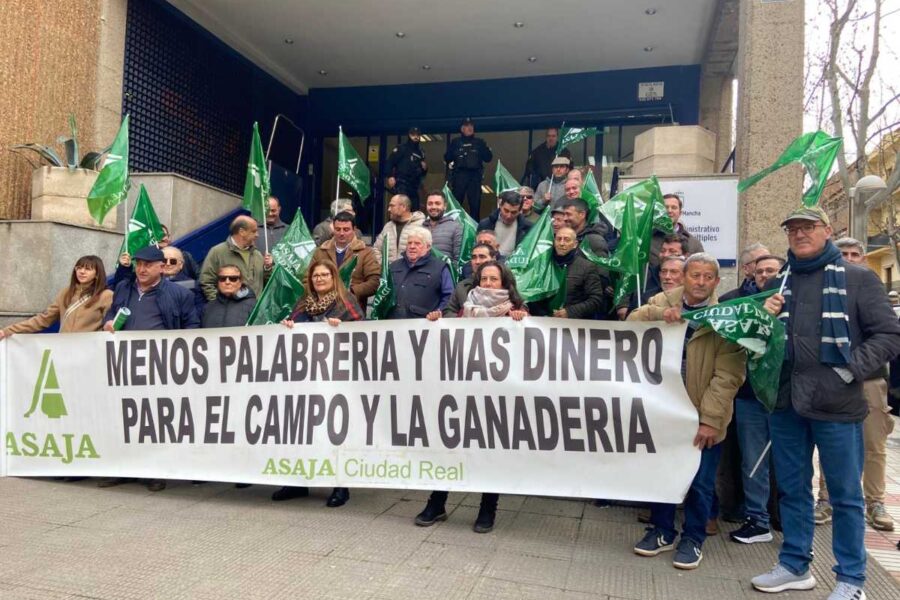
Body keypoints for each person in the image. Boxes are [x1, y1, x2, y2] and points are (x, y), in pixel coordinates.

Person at [751, 208, 900, 600]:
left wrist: (849, 371)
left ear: (827, 231)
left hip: (837, 403)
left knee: (845, 496)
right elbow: (762, 341)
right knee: (792, 490)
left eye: (808, 227)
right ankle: (794, 565)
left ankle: (852, 580)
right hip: (786, 402)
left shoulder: (858, 278)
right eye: (792, 229)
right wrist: (763, 320)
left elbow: (888, 335)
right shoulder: (780, 281)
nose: (799, 234)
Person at [629, 253, 746, 570]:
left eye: (708, 277)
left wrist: (709, 420)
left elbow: (728, 376)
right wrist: (660, 314)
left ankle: (693, 538)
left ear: (717, 281)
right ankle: (661, 531)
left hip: (701, 416)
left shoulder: (727, 318)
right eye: (695, 275)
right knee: (662, 475)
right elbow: (630, 324)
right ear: (683, 277)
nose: (701, 282)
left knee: (701, 483)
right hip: (663, 411)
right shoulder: (662, 300)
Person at [415, 260, 527, 532]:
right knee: (451, 446)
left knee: (491, 451)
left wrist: (521, 320)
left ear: (504, 283)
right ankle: (437, 503)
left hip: (496, 394)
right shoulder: (464, 308)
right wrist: (437, 322)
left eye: (494, 279)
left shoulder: (516, 310)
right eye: (484, 279)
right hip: (462, 389)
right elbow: (448, 333)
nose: (488, 283)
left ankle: (488, 508)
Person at [101, 246, 201, 492]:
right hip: (125, 364)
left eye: (148, 265)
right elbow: (112, 313)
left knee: (154, 421)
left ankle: (156, 471)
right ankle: (125, 469)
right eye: (139, 264)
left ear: (162, 267)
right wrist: (108, 323)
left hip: (159, 367)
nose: (142, 269)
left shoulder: (180, 294)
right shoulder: (123, 288)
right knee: (124, 417)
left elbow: (192, 327)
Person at [812, 237, 895, 533]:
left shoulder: (870, 286)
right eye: (842, 253)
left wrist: (854, 367)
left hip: (868, 379)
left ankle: (875, 502)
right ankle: (825, 499)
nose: (848, 258)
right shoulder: (824, 288)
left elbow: (886, 335)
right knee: (831, 442)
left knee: (873, 443)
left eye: (853, 254)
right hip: (832, 380)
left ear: (863, 258)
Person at [272, 257, 364, 507]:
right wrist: (287, 326)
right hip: (305, 379)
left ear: (333, 278)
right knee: (302, 430)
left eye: (324, 275)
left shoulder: (346, 302)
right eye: (315, 276)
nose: (320, 279)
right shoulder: (303, 304)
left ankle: (340, 485)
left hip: (336, 379)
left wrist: (341, 328)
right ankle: (298, 482)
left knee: (335, 431)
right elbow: (291, 335)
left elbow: (363, 335)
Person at [721, 254, 785, 546]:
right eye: (759, 271)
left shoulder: (795, 302)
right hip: (748, 396)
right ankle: (757, 519)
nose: (764, 275)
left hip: (786, 397)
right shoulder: (739, 304)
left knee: (790, 463)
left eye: (771, 270)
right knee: (753, 461)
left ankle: (789, 520)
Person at [0, 256, 112, 339]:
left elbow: (111, 327)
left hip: (89, 351)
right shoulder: (66, 293)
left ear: (97, 274)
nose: (82, 272)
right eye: (79, 268)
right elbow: (43, 320)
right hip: (63, 349)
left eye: (88, 269)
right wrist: (7, 331)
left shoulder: (105, 295)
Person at [529, 227, 608, 319]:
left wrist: (570, 312)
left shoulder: (587, 267)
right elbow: (532, 293)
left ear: (575, 244)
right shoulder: (543, 265)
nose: (562, 243)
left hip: (574, 322)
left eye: (567, 240)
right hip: (543, 321)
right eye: (559, 239)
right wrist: (543, 314)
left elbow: (596, 299)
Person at [312, 211, 380, 308]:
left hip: (353, 309)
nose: (341, 233)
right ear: (333, 229)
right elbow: (307, 279)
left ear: (354, 230)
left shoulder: (366, 252)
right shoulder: (320, 251)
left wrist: (350, 292)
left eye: (346, 229)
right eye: (338, 229)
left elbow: (374, 282)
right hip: (323, 309)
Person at [200, 215, 272, 301]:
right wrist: (221, 305)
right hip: (230, 309)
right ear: (242, 232)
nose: (257, 235)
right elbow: (206, 282)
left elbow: (267, 283)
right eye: (254, 231)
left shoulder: (257, 254)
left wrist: (268, 268)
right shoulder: (217, 252)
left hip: (257, 308)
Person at [388, 227, 453, 320]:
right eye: (409, 243)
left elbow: (449, 296)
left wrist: (438, 312)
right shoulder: (394, 266)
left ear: (428, 247)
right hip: (392, 323)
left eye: (417, 243)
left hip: (424, 324)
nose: (412, 246)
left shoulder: (440, 267)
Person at [445, 118, 493, 219]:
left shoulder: (479, 142)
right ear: (462, 128)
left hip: (475, 177)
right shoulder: (456, 142)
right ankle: (453, 225)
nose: (470, 128)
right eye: (467, 126)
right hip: (459, 176)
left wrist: (485, 150)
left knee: (475, 205)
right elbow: (447, 158)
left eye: (471, 126)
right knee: (456, 205)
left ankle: (475, 227)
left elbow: (488, 158)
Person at [444, 242, 498, 317]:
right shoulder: (462, 287)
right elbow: (448, 311)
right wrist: (461, 317)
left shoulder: (505, 283)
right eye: (474, 257)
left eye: (482, 257)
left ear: (493, 259)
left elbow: (514, 306)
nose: (477, 262)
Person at [650, 194, 704, 266]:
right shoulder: (647, 240)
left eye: (674, 207)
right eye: (665, 207)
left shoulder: (693, 243)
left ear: (680, 213)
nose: (669, 210)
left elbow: (700, 268)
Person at [372, 194, 426, 264]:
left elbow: (426, 251)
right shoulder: (388, 226)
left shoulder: (421, 225)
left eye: (392, 206)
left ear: (403, 207)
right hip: (390, 270)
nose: (389, 209)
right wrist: (384, 266)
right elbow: (376, 249)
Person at [477, 190, 533, 255]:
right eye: (506, 211)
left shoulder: (528, 227)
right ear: (500, 206)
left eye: (513, 212)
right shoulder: (485, 224)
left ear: (520, 211)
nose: (509, 216)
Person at [386, 127, 428, 211]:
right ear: (409, 135)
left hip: (415, 186)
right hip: (402, 184)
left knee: (415, 210)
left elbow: (422, 172)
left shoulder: (421, 152)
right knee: (401, 208)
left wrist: (425, 169)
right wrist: (390, 176)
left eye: (417, 135)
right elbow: (390, 162)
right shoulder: (401, 148)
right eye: (413, 135)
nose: (415, 137)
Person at [422, 189, 463, 265]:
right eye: (430, 204)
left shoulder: (456, 227)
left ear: (445, 206)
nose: (433, 207)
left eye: (437, 203)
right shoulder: (420, 228)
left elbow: (458, 259)